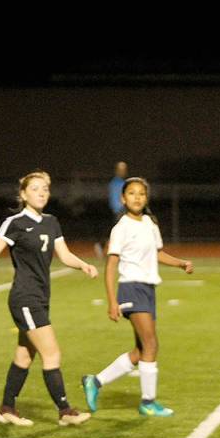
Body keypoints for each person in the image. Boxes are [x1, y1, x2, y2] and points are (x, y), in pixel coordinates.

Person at [0, 171, 97, 426]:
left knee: (25, 356)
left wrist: (83, 265)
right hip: (25, 298)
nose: (42, 192)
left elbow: (64, 255)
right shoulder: (14, 223)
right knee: (52, 354)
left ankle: (6, 409)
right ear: (23, 194)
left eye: (45, 188)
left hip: (41, 297)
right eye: (35, 188)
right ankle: (65, 411)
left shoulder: (51, 222)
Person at [81, 177, 193, 416]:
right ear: (123, 198)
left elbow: (158, 254)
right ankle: (148, 402)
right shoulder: (121, 227)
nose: (137, 197)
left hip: (148, 289)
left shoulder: (150, 224)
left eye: (141, 193)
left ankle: (95, 381)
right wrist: (112, 301)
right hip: (131, 289)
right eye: (131, 193)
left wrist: (180, 263)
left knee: (142, 350)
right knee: (152, 343)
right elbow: (111, 266)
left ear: (146, 198)